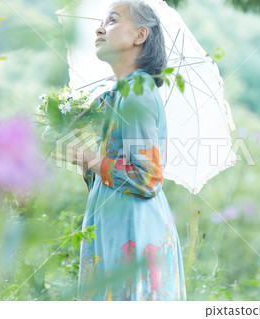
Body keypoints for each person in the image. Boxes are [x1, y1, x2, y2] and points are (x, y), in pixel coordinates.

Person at [58, 0, 187, 301]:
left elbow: (148, 179)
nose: (100, 28)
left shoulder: (136, 93)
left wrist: (91, 158)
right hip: (117, 221)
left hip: (134, 231)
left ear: (140, 36)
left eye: (113, 20)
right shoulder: (120, 94)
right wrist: (83, 160)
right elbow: (111, 172)